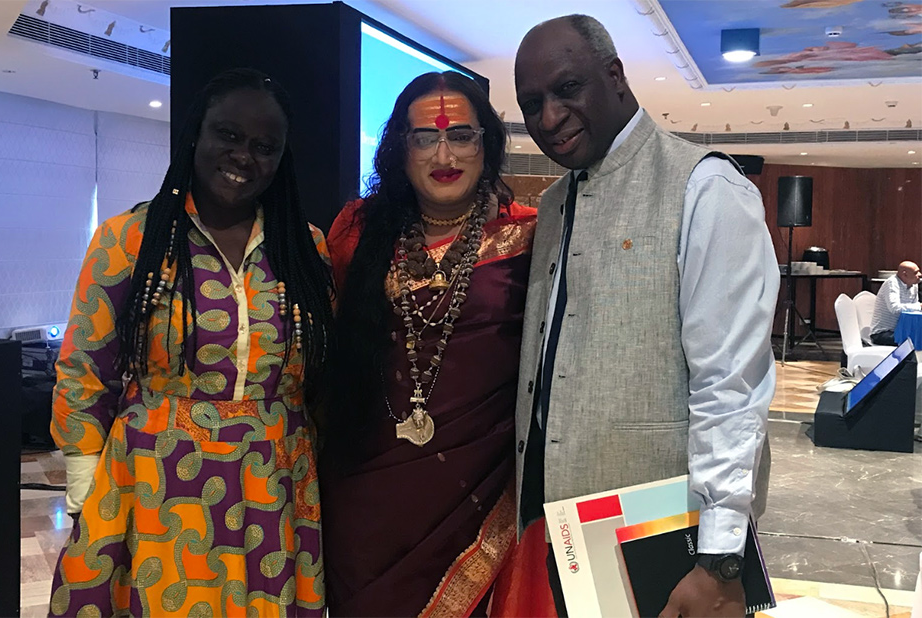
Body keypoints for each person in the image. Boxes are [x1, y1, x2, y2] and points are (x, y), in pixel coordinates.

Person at [513, 15, 780, 618]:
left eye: (567, 89)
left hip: (667, 543)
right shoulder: (554, 204)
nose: (548, 118)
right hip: (565, 537)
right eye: (531, 104)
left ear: (615, 76)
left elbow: (731, 386)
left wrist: (719, 561)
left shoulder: (704, 186)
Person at [48, 68, 333, 616]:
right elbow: (85, 366)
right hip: (153, 476)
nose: (243, 156)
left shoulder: (305, 247)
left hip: (274, 479)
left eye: (264, 146)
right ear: (197, 133)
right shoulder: (130, 238)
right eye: (228, 134)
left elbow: (319, 371)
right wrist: (84, 481)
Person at [319, 72, 553, 617]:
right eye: (424, 138)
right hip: (364, 502)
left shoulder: (530, 237)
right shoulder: (356, 233)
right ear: (400, 149)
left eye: (461, 136)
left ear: (486, 144)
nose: (443, 155)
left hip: (478, 497)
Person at [871, 261, 921, 346]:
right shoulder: (892, 283)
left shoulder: (914, 285)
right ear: (905, 274)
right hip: (882, 333)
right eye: (916, 273)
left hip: (902, 330)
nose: (920, 275)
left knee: (917, 338)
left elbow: (914, 311)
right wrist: (919, 306)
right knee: (912, 341)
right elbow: (895, 308)